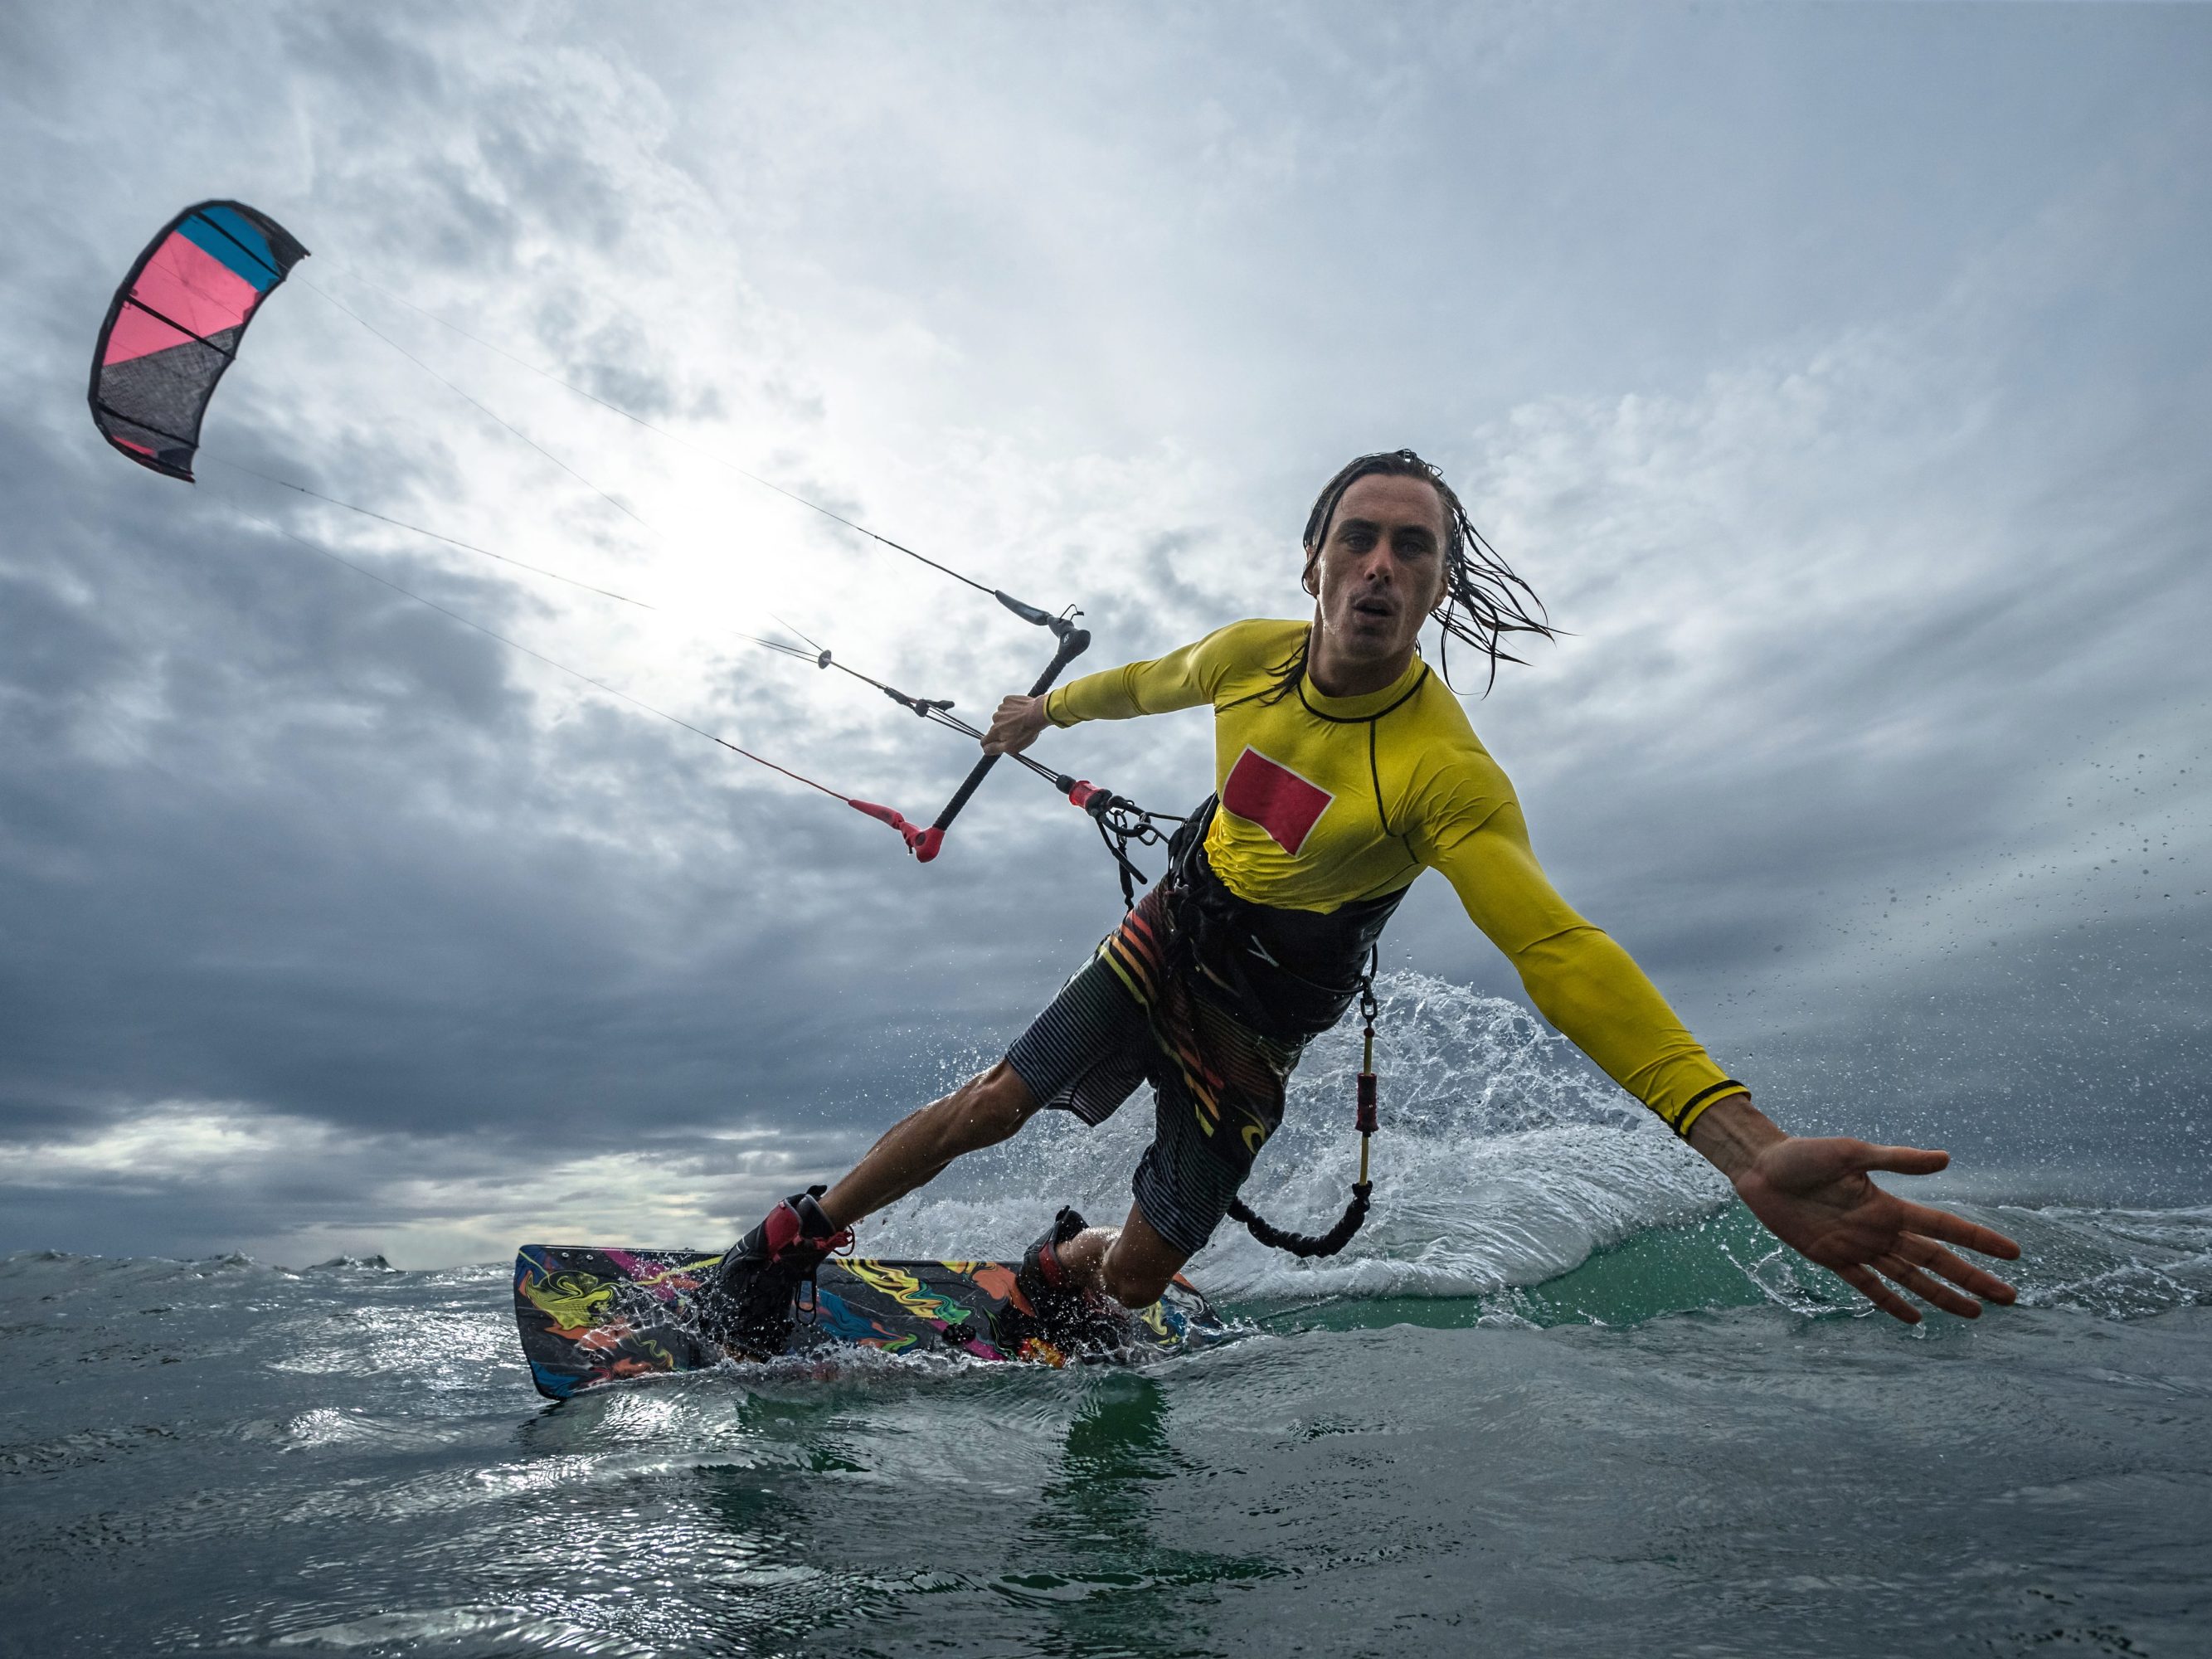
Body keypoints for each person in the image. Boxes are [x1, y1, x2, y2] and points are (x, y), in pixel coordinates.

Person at [700, 449, 2020, 1355]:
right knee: (995, 1102)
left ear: (1438, 585)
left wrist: (1743, 1147)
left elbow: (1558, 951)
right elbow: (1143, 683)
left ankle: (1061, 1270)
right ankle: (790, 1242)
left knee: (1145, 1275)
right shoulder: (1248, 660)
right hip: (1177, 932)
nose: (1381, 565)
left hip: (1265, 1024)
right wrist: (1038, 710)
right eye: (1359, 539)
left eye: (1414, 549)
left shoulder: (1446, 776)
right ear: (1315, 563)